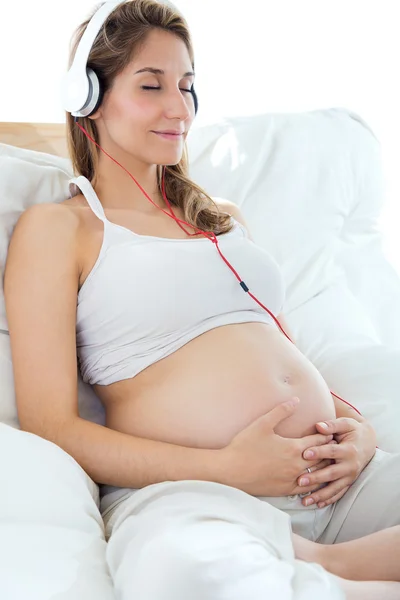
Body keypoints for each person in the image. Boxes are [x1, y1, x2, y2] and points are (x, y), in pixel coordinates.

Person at [4, 1, 400, 598]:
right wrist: (228, 468)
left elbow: (282, 352)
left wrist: (360, 430)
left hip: (336, 477)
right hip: (197, 492)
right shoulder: (60, 229)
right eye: (151, 85)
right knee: (184, 571)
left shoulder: (224, 221)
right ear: (88, 97)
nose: (178, 107)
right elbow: (50, 424)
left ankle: (319, 569)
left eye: (187, 87)